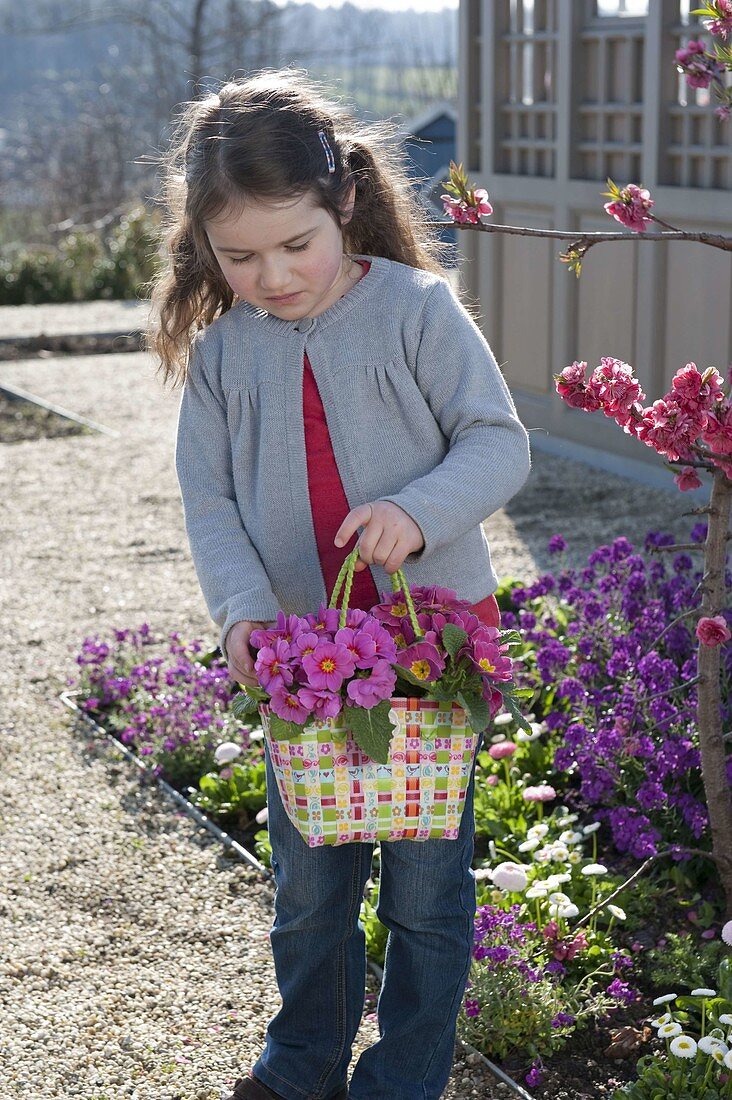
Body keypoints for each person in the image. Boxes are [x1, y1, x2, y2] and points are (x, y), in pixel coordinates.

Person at [148, 69, 531, 1100]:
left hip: (431, 652)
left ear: (345, 203)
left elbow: (498, 444)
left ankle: (402, 1076)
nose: (271, 275)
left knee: (426, 887)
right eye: (239, 256)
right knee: (311, 883)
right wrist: (243, 613)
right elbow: (211, 504)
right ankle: (301, 1059)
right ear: (205, 247)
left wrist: (419, 510)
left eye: (294, 245)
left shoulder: (415, 309)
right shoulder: (223, 355)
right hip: (303, 668)